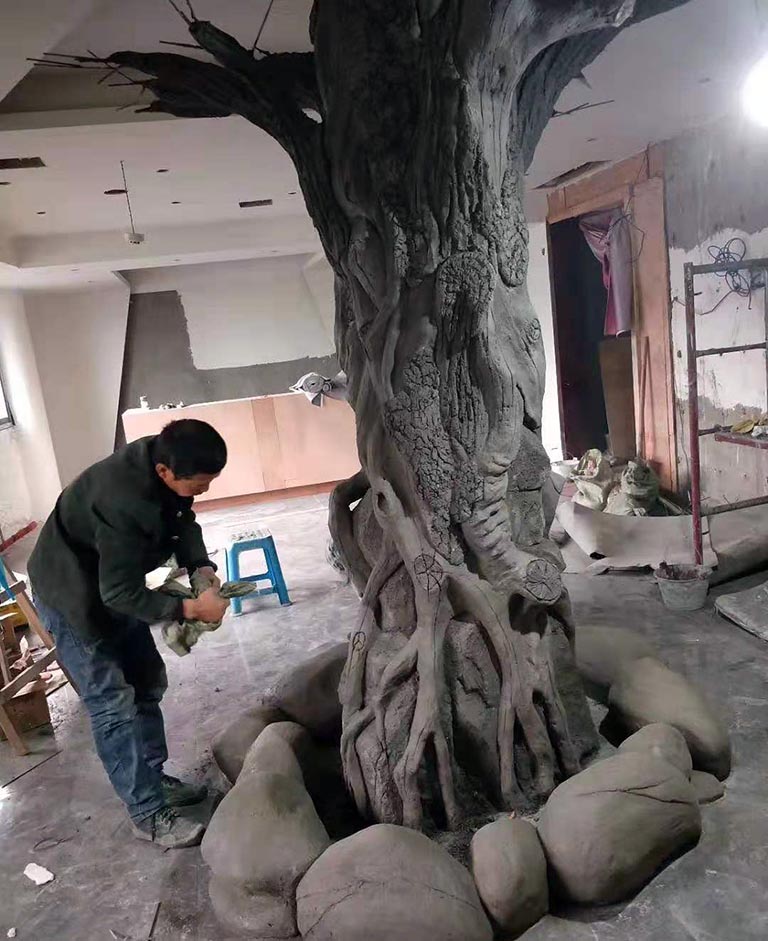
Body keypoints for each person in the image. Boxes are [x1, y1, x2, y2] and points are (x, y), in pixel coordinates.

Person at [28, 419, 230, 848]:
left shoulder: (163, 456)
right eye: (198, 485)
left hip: (114, 584)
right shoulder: (121, 499)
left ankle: (154, 779)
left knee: (146, 683)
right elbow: (118, 593)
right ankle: (147, 812)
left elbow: (182, 519)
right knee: (112, 703)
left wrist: (200, 566)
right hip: (71, 595)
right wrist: (189, 608)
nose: (203, 491)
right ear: (164, 472)